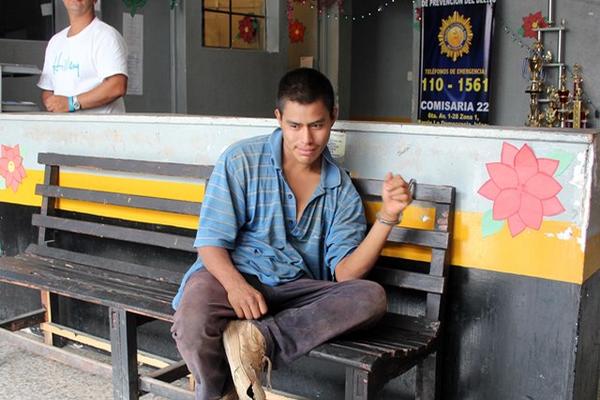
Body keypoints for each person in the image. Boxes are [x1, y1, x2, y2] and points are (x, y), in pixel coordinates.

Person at [171, 68, 413, 400]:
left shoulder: (340, 190)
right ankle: (221, 392)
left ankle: (257, 341)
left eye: (317, 125)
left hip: (298, 292)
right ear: (279, 118)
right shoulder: (241, 160)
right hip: (232, 277)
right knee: (192, 320)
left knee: (371, 297)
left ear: (333, 118)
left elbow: (345, 273)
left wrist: (387, 217)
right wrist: (236, 286)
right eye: (295, 126)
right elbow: (210, 244)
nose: (306, 139)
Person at [37, 0, 128, 114]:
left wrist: (71, 103)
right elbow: (48, 89)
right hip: (65, 129)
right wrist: (53, 104)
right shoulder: (55, 42)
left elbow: (117, 86)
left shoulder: (106, 36)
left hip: (103, 130)